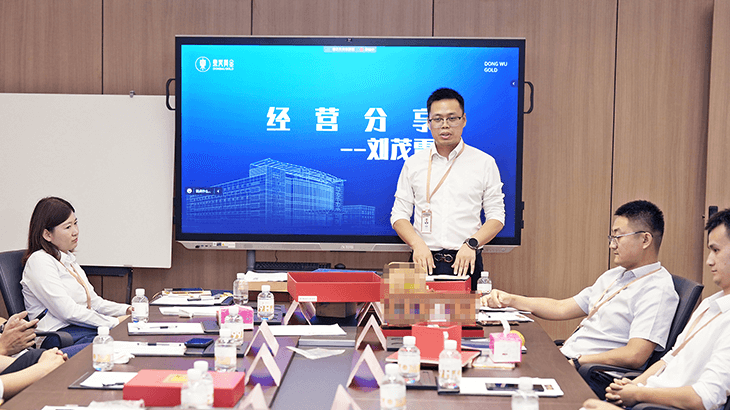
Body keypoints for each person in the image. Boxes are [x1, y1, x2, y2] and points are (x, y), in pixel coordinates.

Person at [485, 200, 679, 382]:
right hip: (572, 361)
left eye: (618, 237)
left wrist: (578, 361)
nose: (612, 245)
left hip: (596, 375)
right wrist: (511, 300)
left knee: (506, 379)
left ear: (645, 240)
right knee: (493, 364)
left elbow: (635, 355)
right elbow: (561, 307)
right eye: (612, 238)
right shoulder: (614, 275)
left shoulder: (657, 289)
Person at [599, 208, 730, 410]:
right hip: (647, 399)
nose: (709, 260)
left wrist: (638, 394)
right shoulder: (710, 304)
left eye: (716, 250)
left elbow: (706, 397)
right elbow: (670, 358)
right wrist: (635, 385)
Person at [390, 87, 506, 290]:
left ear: (464, 120)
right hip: (422, 260)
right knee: (415, 311)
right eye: (437, 119)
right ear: (428, 122)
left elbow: (497, 216)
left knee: (469, 312)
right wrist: (417, 244)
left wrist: (472, 244)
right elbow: (399, 215)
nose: (445, 125)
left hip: (466, 261)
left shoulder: (484, 162)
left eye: (452, 118)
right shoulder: (413, 163)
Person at [21, 197, 131, 347]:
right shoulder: (39, 261)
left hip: (79, 329)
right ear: (47, 234)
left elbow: (95, 302)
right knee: (114, 343)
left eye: (75, 223)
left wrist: (126, 309)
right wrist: (113, 322)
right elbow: (67, 312)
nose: (75, 231)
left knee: (123, 338)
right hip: (57, 336)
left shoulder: (67, 259)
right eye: (68, 227)